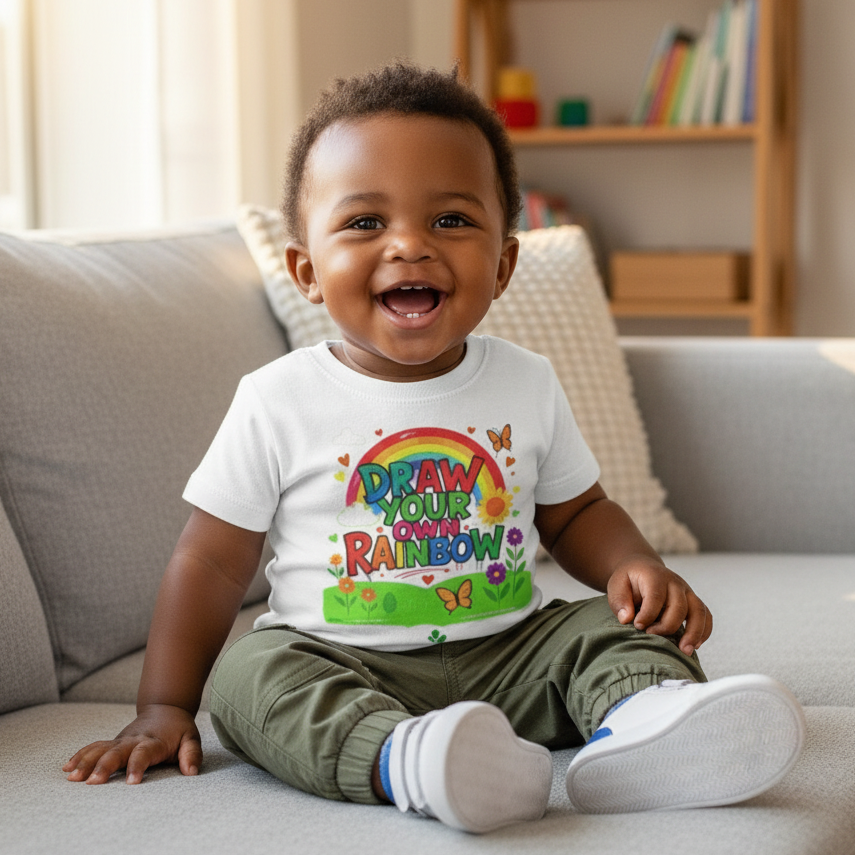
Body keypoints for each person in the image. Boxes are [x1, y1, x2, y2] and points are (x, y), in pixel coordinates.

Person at [64, 62, 805, 834]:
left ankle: (647, 724)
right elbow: (211, 561)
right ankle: (409, 758)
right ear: (306, 272)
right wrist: (161, 706)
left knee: (621, 632)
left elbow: (576, 510)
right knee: (250, 677)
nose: (410, 246)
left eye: (450, 220)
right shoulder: (275, 398)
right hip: (336, 658)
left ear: (504, 263)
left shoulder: (526, 381)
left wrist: (631, 566)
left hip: (509, 652)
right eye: (364, 223)